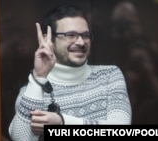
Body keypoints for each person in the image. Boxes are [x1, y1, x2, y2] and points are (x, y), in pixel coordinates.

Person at [8, 4, 132, 141]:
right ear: (48, 40)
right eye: (70, 35)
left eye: (85, 35)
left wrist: (62, 122)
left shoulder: (109, 76)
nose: (81, 42)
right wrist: (39, 77)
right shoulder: (32, 91)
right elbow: (21, 139)